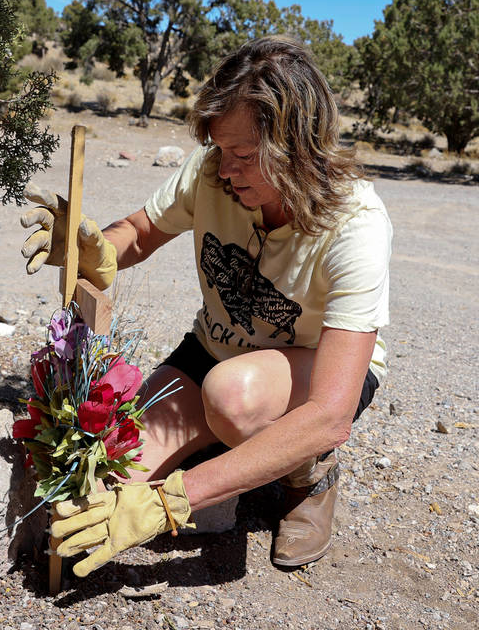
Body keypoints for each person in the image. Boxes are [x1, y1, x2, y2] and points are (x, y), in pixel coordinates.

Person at [20, 36, 392, 576]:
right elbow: (140, 234)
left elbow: (331, 413)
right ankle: (231, 450)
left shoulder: (356, 223)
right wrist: (94, 252)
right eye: (220, 151)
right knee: (109, 481)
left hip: (308, 374)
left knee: (232, 398)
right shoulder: (213, 168)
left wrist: (171, 502)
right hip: (213, 351)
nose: (225, 170)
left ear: (297, 146)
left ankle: (306, 477)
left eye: (243, 156)